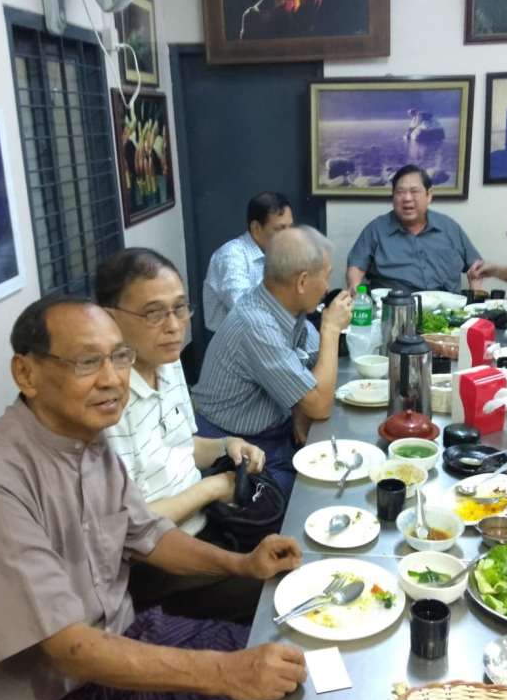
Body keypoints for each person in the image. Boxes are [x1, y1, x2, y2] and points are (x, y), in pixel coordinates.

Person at [0, 294, 306, 700]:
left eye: (119, 357)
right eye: (87, 362)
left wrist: (242, 564)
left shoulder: (87, 440)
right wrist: (225, 672)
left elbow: (147, 533)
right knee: (244, 682)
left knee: (288, 675)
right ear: (26, 373)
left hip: (120, 641)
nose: (111, 380)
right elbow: (68, 648)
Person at [97, 248, 268, 621]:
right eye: (154, 313)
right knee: (276, 594)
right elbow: (129, 526)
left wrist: (228, 445)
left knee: (294, 538)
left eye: (179, 308)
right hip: (157, 564)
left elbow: (182, 446)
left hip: (208, 526)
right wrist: (212, 488)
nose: (174, 326)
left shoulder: (167, 361)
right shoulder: (105, 403)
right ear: (110, 318)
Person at [193, 226, 351, 496]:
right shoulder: (257, 325)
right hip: (234, 450)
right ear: (302, 282)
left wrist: (299, 408)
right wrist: (331, 328)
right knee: (320, 492)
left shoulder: (284, 307)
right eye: (326, 277)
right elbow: (320, 405)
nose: (327, 287)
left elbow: (310, 371)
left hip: (273, 435)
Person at [346, 164, 484, 294]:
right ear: (393, 196)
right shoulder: (376, 229)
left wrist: (476, 293)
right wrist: (355, 291)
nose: (407, 198)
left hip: (447, 308)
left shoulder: (449, 228)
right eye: (400, 192)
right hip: (394, 306)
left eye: (414, 191)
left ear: (429, 195)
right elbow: (356, 267)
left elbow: (476, 267)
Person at [203, 192, 293, 332]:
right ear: (256, 228)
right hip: (232, 340)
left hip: (268, 333)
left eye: (290, 227)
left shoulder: (276, 252)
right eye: (280, 229)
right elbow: (243, 309)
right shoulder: (231, 255)